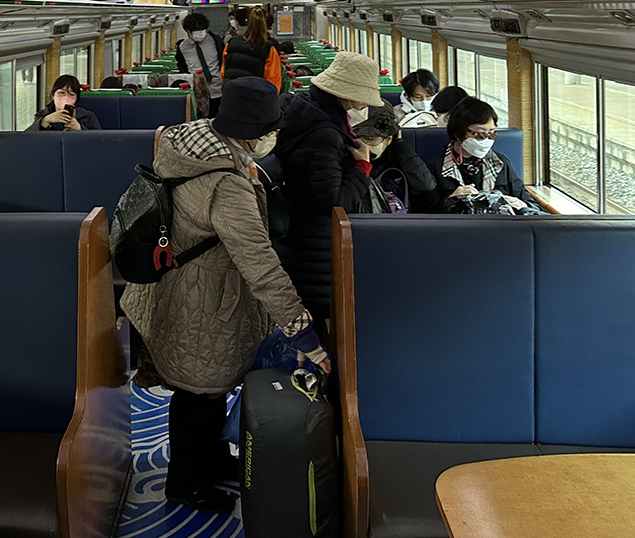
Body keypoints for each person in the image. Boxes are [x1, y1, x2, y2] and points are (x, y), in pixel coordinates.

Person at [121, 78, 330, 514]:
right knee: (200, 393)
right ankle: (186, 483)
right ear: (254, 134)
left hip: (177, 285)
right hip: (204, 301)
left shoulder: (190, 142)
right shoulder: (225, 185)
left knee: (204, 390)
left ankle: (206, 460)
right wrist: (303, 335)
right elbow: (260, 263)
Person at [272, 50, 386, 321]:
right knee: (319, 316)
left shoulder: (300, 109)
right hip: (316, 245)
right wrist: (362, 166)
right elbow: (335, 202)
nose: (364, 105)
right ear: (345, 96)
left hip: (294, 229)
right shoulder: (325, 135)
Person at [423, 97, 535, 211]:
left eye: (491, 134)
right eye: (480, 133)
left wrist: (522, 205)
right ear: (458, 132)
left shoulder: (500, 162)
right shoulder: (435, 167)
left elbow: (530, 203)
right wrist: (450, 201)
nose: (486, 139)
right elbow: (425, 213)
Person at [353, 104, 437, 212]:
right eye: (356, 138)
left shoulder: (400, 161)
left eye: (369, 139)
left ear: (388, 140)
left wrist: (401, 146)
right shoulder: (342, 159)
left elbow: (426, 185)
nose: (362, 144)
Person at [174, 11, 226, 116]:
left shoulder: (216, 41)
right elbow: (183, 68)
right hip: (198, 92)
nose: (200, 33)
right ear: (188, 31)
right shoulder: (182, 48)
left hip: (218, 89)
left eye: (202, 29)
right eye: (196, 30)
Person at [222, 7, 282, 90]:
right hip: (257, 94)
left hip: (231, 92)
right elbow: (273, 80)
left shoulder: (231, 43)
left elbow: (223, 72)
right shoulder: (268, 48)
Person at [25, 74, 101, 131]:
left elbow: (99, 141)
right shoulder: (43, 115)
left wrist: (80, 128)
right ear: (53, 95)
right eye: (61, 93)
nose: (66, 97)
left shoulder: (88, 116)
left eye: (71, 95)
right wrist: (46, 120)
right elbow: (26, 138)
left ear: (76, 99)